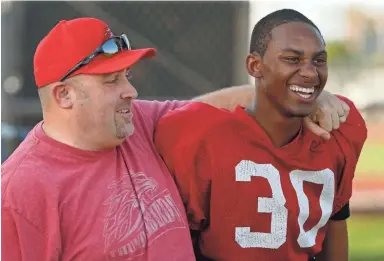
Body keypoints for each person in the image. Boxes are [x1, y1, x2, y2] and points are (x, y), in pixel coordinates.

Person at [2, 17, 349, 261]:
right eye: (111, 81)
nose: (131, 91)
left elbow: (207, 106)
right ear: (64, 95)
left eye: (127, 76)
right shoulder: (23, 190)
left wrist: (297, 95)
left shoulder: (136, 121)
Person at [154, 9, 367, 261]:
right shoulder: (203, 135)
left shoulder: (339, 129)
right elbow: (176, 243)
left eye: (318, 60)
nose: (310, 72)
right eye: (292, 59)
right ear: (255, 65)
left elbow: (336, 222)